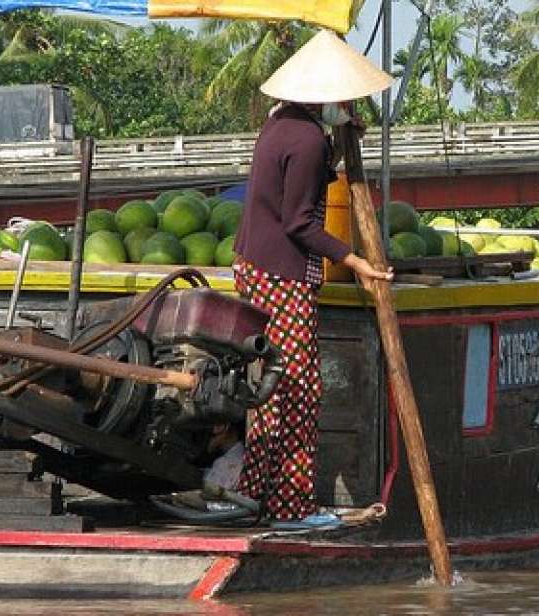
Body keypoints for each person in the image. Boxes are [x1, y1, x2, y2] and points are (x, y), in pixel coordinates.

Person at [231, 30, 394, 527]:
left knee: (271, 392)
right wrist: (355, 260)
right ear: (326, 96)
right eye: (344, 101)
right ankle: (291, 506)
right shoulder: (303, 140)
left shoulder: (283, 124)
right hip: (279, 273)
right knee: (299, 390)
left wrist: (340, 146)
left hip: (256, 266)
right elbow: (299, 221)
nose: (347, 107)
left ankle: (254, 496)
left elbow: (301, 183)